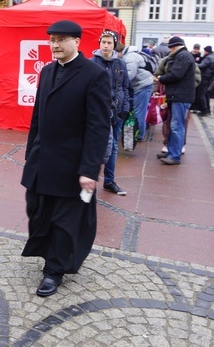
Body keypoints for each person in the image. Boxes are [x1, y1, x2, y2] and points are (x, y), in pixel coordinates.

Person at [21, 20, 112, 297]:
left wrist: (89, 169)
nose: (55, 45)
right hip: (41, 161)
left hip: (70, 165)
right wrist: (30, 153)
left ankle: (54, 270)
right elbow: (38, 115)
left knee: (63, 220)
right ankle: (48, 254)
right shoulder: (47, 71)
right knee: (37, 211)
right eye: (52, 40)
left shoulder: (94, 75)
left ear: (77, 42)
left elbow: (98, 126)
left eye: (61, 40)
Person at [91, 31, 131, 196]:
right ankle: (89, 180)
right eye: (103, 42)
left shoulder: (120, 64)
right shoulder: (91, 63)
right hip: (97, 112)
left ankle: (109, 181)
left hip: (117, 112)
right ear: (99, 43)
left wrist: (126, 108)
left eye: (109, 43)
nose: (106, 46)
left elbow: (125, 87)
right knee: (93, 146)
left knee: (113, 146)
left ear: (114, 45)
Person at [155, 36, 196, 165]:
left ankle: (175, 155)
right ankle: (171, 151)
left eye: (170, 47)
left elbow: (176, 75)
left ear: (173, 47)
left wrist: (161, 78)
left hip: (180, 96)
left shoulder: (182, 56)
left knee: (177, 126)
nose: (169, 50)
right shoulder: (183, 55)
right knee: (174, 125)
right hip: (177, 95)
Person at [119, 43, 155, 143]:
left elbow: (130, 75)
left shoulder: (130, 57)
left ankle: (138, 135)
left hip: (142, 85)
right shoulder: (131, 55)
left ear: (119, 52)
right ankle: (138, 133)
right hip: (142, 84)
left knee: (139, 111)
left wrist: (118, 82)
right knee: (139, 111)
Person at [196, 45, 214, 116]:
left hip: (205, 77)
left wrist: (194, 64)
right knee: (206, 94)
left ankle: (204, 110)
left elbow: (202, 65)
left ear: (206, 51)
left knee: (201, 94)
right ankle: (207, 110)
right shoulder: (213, 56)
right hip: (210, 77)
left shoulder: (208, 57)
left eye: (204, 50)